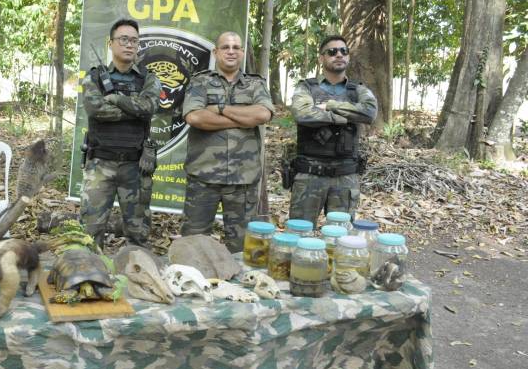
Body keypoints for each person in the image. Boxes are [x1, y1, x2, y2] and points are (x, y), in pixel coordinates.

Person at [180, 31, 274, 253]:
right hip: (204, 179)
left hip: (243, 181)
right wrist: (242, 119)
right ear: (216, 52)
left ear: (241, 52)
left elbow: (262, 115)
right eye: (225, 47)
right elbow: (194, 117)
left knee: (242, 249)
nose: (231, 51)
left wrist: (221, 109)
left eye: (236, 47)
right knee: (194, 245)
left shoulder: (255, 84)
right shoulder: (200, 82)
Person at [80, 18, 161, 247]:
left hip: (135, 167)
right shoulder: (95, 76)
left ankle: (139, 278)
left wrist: (115, 98)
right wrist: (135, 109)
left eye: (134, 41)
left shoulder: (148, 78)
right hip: (100, 165)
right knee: (90, 232)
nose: (129, 45)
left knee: (138, 233)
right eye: (123, 39)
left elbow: (149, 108)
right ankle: (90, 277)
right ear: (111, 43)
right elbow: (96, 110)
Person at [288, 34, 378, 224]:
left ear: (348, 57)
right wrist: (345, 118)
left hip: (345, 177)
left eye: (343, 51)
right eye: (332, 51)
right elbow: (303, 114)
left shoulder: (358, 90)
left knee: (340, 239)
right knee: (299, 235)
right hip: (309, 175)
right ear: (321, 58)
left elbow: (369, 113)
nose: (339, 55)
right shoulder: (306, 87)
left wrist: (330, 106)